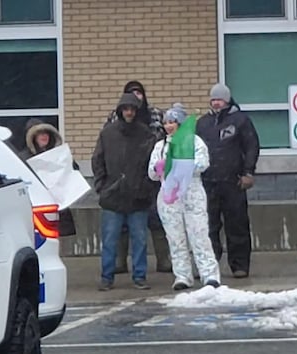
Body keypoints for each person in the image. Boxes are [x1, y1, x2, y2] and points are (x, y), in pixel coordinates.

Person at [148, 103, 221, 290]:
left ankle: (209, 275)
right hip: (169, 197)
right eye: (166, 122)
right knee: (175, 238)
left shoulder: (195, 142)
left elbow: (203, 164)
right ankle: (182, 276)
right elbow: (151, 173)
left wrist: (181, 166)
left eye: (173, 122)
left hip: (192, 194)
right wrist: (159, 168)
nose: (169, 126)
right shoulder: (160, 146)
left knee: (199, 236)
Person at [106, 80, 172, 274]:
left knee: (156, 218)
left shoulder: (156, 115)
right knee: (123, 224)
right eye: (131, 93)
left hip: (152, 175)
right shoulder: (114, 118)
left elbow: (167, 139)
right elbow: (106, 145)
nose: (136, 97)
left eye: (139, 93)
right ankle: (119, 262)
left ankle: (164, 259)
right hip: (123, 177)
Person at [92, 93, 156, 290]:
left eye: (132, 109)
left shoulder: (146, 134)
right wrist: (101, 186)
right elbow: (97, 160)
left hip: (138, 196)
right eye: (126, 109)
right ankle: (107, 278)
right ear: (120, 111)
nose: (129, 112)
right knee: (110, 240)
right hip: (113, 195)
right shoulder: (108, 133)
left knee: (140, 240)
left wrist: (147, 186)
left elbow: (152, 164)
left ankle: (139, 276)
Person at [196, 83, 260, 279]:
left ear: (227, 100)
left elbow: (251, 146)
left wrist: (248, 172)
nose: (216, 103)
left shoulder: (240, 121)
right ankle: (209, 266)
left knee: (237, 224)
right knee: (208, 226)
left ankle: (240, 265)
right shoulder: (202, 123)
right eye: (213, 99)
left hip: (234, 182)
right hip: (207, 183)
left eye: (220, 99)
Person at [18, 118, 78, 237]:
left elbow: (73, 171)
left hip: (58, 205)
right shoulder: (22, 158)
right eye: (40, 133)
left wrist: (67, 162)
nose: (44, 136)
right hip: (37, 207)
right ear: (32, 137)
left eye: (46, 133)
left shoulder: (59, 154)